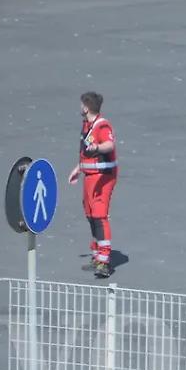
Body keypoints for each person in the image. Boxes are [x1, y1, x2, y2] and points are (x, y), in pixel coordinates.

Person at [68, 92, 117, 279]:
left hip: (103, 177)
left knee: (99, 215)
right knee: (90, 215)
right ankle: (97, 255)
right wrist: (78, 168)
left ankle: (104, 261)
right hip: (90, 176)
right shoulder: (87, 125)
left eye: (82, 105)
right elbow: (85, 154)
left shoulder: (101, 125)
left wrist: (97, 147)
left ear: (86, 107)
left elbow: (109, 145)